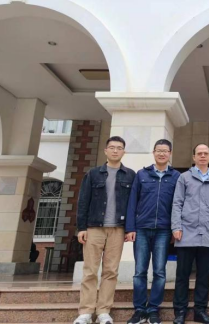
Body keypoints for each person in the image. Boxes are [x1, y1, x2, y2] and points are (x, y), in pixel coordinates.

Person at [74, 136, 136, 324]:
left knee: (111, 271)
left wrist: (130, 228)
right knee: (90, 271)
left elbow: (133, 205)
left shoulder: (130, 175)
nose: (115, 150)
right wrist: (81, 228)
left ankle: (103, 311)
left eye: (119, 148)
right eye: (112, 147)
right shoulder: (93, 174)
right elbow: (83, 201)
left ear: (124, 151)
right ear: (106, 151)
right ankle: (85, 312)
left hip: (117, 229)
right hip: (94, 228)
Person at [125, 139, 181, 324]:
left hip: (163, 230)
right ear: (154, 152)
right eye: (159, 150)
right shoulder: (142, 174)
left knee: (159, 272)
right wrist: (130, 228)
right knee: (139, 271)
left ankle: (153, 309)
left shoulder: (176, 176)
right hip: (141, 228)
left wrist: (175, 228)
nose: (162, 153)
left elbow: (178, 204)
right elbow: (132, 202)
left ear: (170, 153)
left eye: (165, 151)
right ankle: (139, 310)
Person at [171, 144, 209, 324]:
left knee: (203, 276)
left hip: (208, 232)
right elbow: (177, 203)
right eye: (199, 153)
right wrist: (176, 226)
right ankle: (180, 311)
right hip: (186, 231)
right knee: (182, 275)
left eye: (205, 153)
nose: (202, 156)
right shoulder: (184, 177)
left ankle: (200, 310)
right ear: (193, 157)